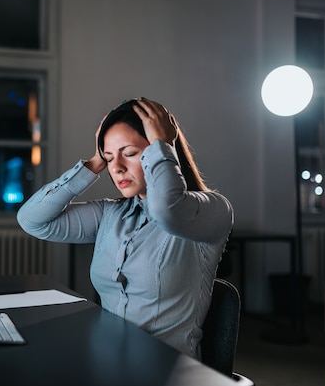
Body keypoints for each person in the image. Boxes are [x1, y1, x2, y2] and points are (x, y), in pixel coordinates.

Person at [17, 97, 233, 359]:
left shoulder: (213, 210)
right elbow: (32, 220)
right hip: (107, 363)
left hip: (168, 371)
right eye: (109, 158)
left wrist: (163, 144)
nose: (117, 168)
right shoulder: (111, 213)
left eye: (130, 153)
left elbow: (167, 210)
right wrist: (94, 162)